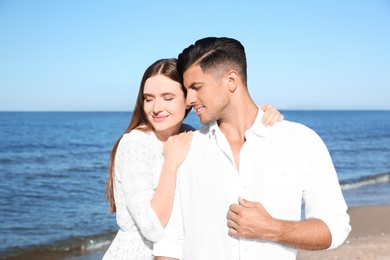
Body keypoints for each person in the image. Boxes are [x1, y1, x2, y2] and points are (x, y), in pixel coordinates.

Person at [153, 37, 351, 260]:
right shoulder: (184, 151)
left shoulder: (301, 141)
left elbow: (335, 226)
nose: (188, 100)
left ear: (230, 80)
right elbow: (169, 243)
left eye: (196, 88)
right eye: (186, 90)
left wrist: (274, 228)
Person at [103, 58, 283, 259]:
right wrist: (170, 164)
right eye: (148, 98)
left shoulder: (190, 136)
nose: (156, 108)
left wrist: (262, 115)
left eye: (168, 97)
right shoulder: (135, 143)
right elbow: (151, 228)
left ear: (187, 101)